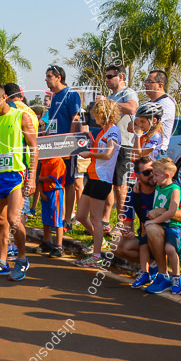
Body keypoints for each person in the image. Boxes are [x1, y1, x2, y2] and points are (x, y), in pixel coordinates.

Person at [0, 82, 39, 280]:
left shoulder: (21, 116)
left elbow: (34, 149)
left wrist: (32, 178)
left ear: (4, 97)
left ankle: (22, 259)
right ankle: (3, 262)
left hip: (16, 176)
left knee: (14, 219)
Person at [120, 156, 181, 288]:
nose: (151, 175)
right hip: (149, 235)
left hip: (171, 233)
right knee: (118, 244)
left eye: (153, 171)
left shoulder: (168, 188)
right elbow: (127, 224)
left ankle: (163, 273)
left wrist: (162, 211)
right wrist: (127, 232)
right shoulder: (134, 194)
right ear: (137, 176)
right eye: (147, 173)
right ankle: (149, 269)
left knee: (151, 228)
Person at [74, 98, 121, 267]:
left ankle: (96, 256)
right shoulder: (103, 131)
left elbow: (108, 154)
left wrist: (90, 155)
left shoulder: (113, 132)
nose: (95, 118)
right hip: (93, 176)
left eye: (97, 114)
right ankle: (98, 243)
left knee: (96, 218)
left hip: (102, 178)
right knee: (80, 215)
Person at [141, 158, 181, 294]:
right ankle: (157, 273)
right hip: (162, 226)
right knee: (147, 242)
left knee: (169, 249)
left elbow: (172, 211)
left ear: (167, 175)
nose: (153, 178)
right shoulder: (158, 186)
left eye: (156, 175)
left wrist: (155, 221)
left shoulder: (175, 189)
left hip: (173, 226)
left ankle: (176, 277)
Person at [45, 65, 82, 228]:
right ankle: (56, 216)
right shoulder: (54, 96)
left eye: (49, 76)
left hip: (66, 145)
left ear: (58, 77)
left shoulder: (71, 94)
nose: (46, 79)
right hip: (53, 146)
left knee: (69, 182)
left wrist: (69, 141)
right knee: (57, 180)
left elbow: (76, 117)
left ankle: (67, 218)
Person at [103, 64, 140, 227]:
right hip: (110, 145)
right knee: (108, 185)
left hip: (124, 145)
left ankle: (122, 223)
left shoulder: (128, 92)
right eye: (106, 77)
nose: (106, 80)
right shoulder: (111, 96)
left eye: (110, 76)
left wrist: (108, 103)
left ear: (121, 77)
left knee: (120, 187)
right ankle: (105, 221)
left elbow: (132, 108)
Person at [36, 157, 66, 258]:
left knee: (57, 219)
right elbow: (39, 180)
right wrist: (41, 192)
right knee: (45, 218)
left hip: (55, 191)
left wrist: (39, 178)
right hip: (45, 191)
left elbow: (53, 177)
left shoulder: (58, 161)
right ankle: (46, 241)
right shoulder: (44, 160)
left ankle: (59, 246)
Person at [143, 70, 177, 154]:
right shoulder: (148, 104)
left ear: (160, 85)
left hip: (156, 151)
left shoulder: (166, 104)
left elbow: (147, 125)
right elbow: (134, 125)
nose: (145, 84)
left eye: (150, 82)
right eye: (146, 81)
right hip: (144, 150)